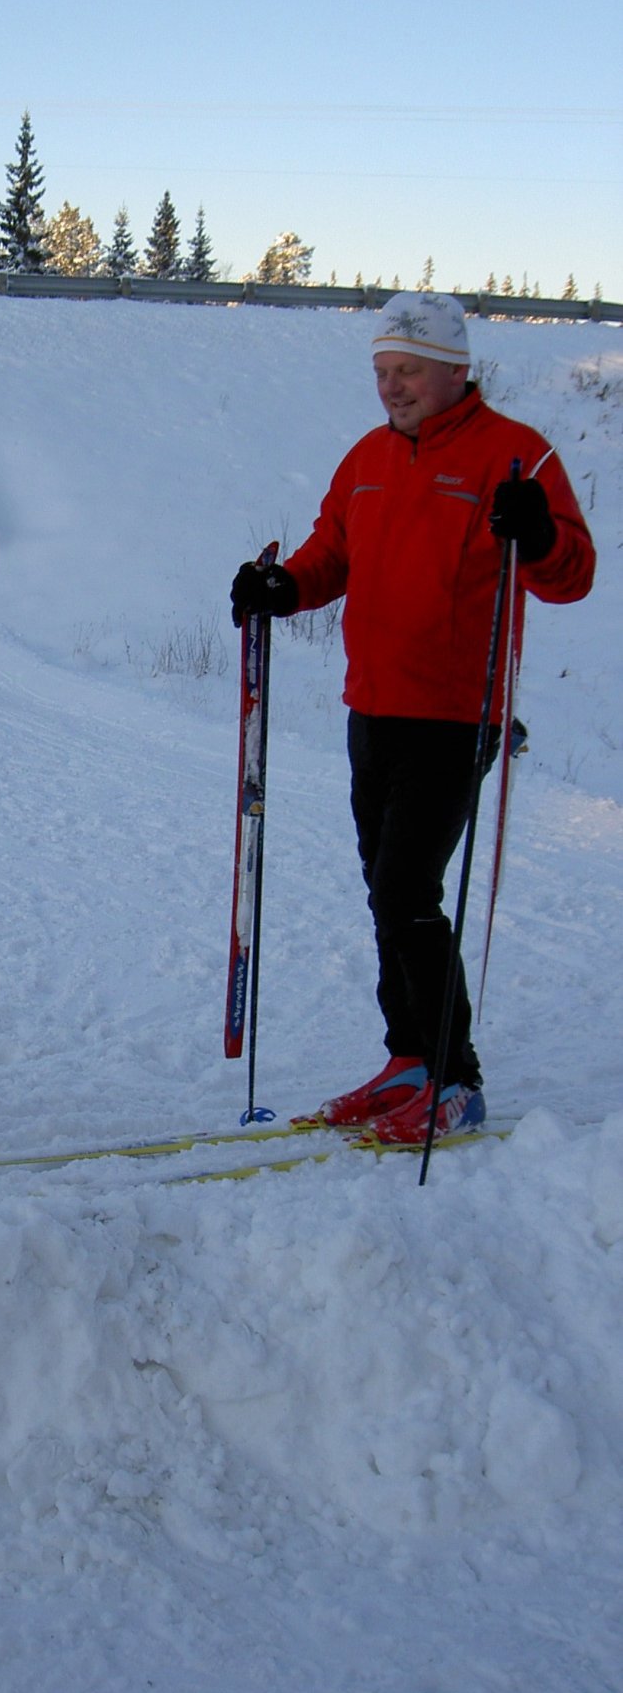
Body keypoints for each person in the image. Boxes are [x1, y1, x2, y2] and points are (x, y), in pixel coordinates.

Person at [230, 291, 595, 1144]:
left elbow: (571, 575)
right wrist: (282, 587)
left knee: (406, 888)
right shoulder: (367, 458)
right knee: (385, 888)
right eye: (383, 371)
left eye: (409, 371)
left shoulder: (516, 456)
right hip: (374, 705)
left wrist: (538, 534)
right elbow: (331, 555)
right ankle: (410, 1059)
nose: (392, 387)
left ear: (455, 369)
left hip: (456, 712)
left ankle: (455, 1077)